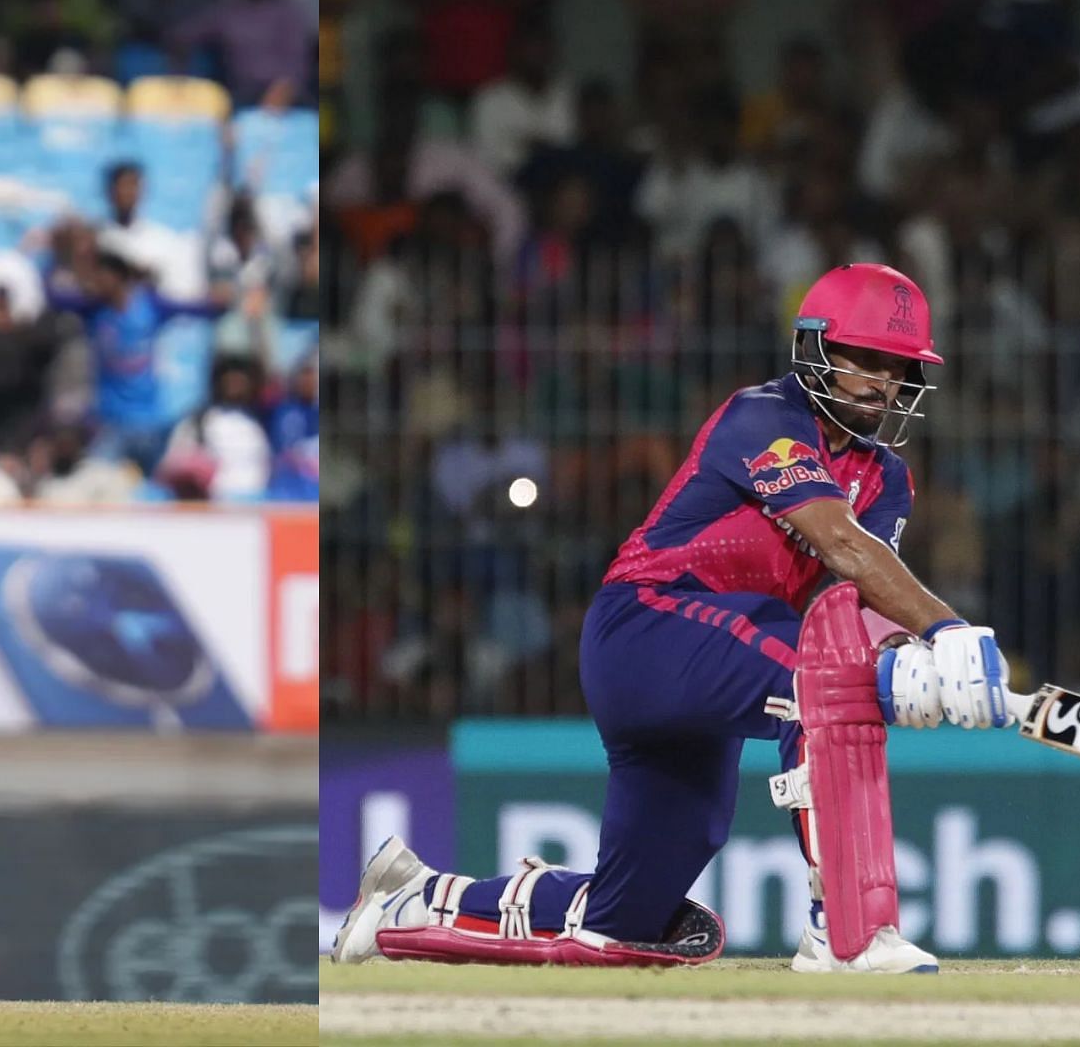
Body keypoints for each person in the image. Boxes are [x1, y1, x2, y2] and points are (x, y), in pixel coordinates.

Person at [332, 263, 1012, 974]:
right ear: (814, 349)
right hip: (647, 628)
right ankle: (848, 933)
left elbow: (858, 603)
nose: (882, 382)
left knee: (623, 925)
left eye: (900, 367)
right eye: (866, 359)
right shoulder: (765, 417)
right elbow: (841, 545)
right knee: (823, 683)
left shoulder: (888, 479)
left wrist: (918, 664)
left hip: (718, 662)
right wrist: (949, 633)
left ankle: (411, 900)